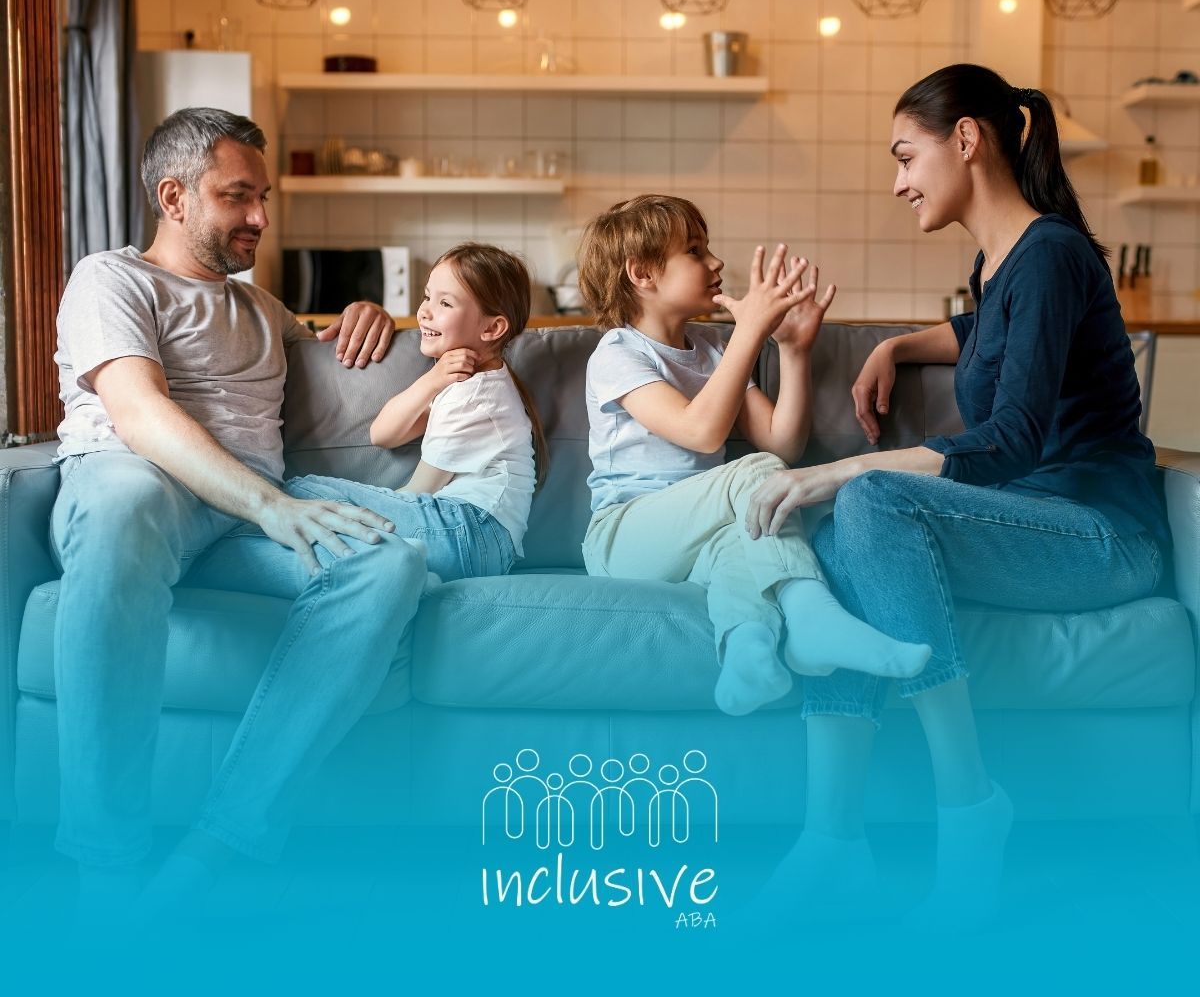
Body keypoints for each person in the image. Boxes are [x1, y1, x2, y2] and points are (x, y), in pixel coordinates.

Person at [746, 64, 1169, 925]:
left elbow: (1010, 439)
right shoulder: (1003, 263)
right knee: (840, 542)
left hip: (1102, 534)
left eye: (907, 156)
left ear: (967, 140)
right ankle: (831, 841)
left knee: (866, 500)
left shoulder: (1051, 253)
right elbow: (988, 329)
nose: (899, 181)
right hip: (1044, 522)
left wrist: (842, 467)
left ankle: (970, 810)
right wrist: (899, 345)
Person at [52, 106, 426, 917]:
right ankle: (105, 872)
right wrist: (273, 505)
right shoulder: (110, 279)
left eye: (263, 196)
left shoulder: (262, 311)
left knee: (388, 558)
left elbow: (334, 349)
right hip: (134, 487)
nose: (260, 216)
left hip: (232, 525)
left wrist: (368, 318)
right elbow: (138, 416)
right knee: (124, 501)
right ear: (174, 196)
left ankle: (220, 844)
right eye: (237, 197)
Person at [576, 195, 932, 719]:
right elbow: (700, 433)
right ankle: (813, 616)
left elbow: (782, 443)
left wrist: (793, 349)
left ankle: (749, 655)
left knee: (748, 534)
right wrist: (748, 333)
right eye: (695, 251)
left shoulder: (711, 351)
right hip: (622, 538)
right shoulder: (618, 353)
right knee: (763, 481)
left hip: (693, 542)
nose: (716, 263)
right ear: (643, 273)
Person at [343, 241, 544, 580]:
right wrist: (431, 381)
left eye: (445, 302)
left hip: (470, 531)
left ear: (492, 328)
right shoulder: (460, 382)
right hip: (477, 537)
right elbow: (384, 435)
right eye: (426, 297)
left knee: (310, 492)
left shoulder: (474, 395)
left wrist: (348, 512)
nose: (424, 311)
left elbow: (421, 489)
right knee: (318, 503)